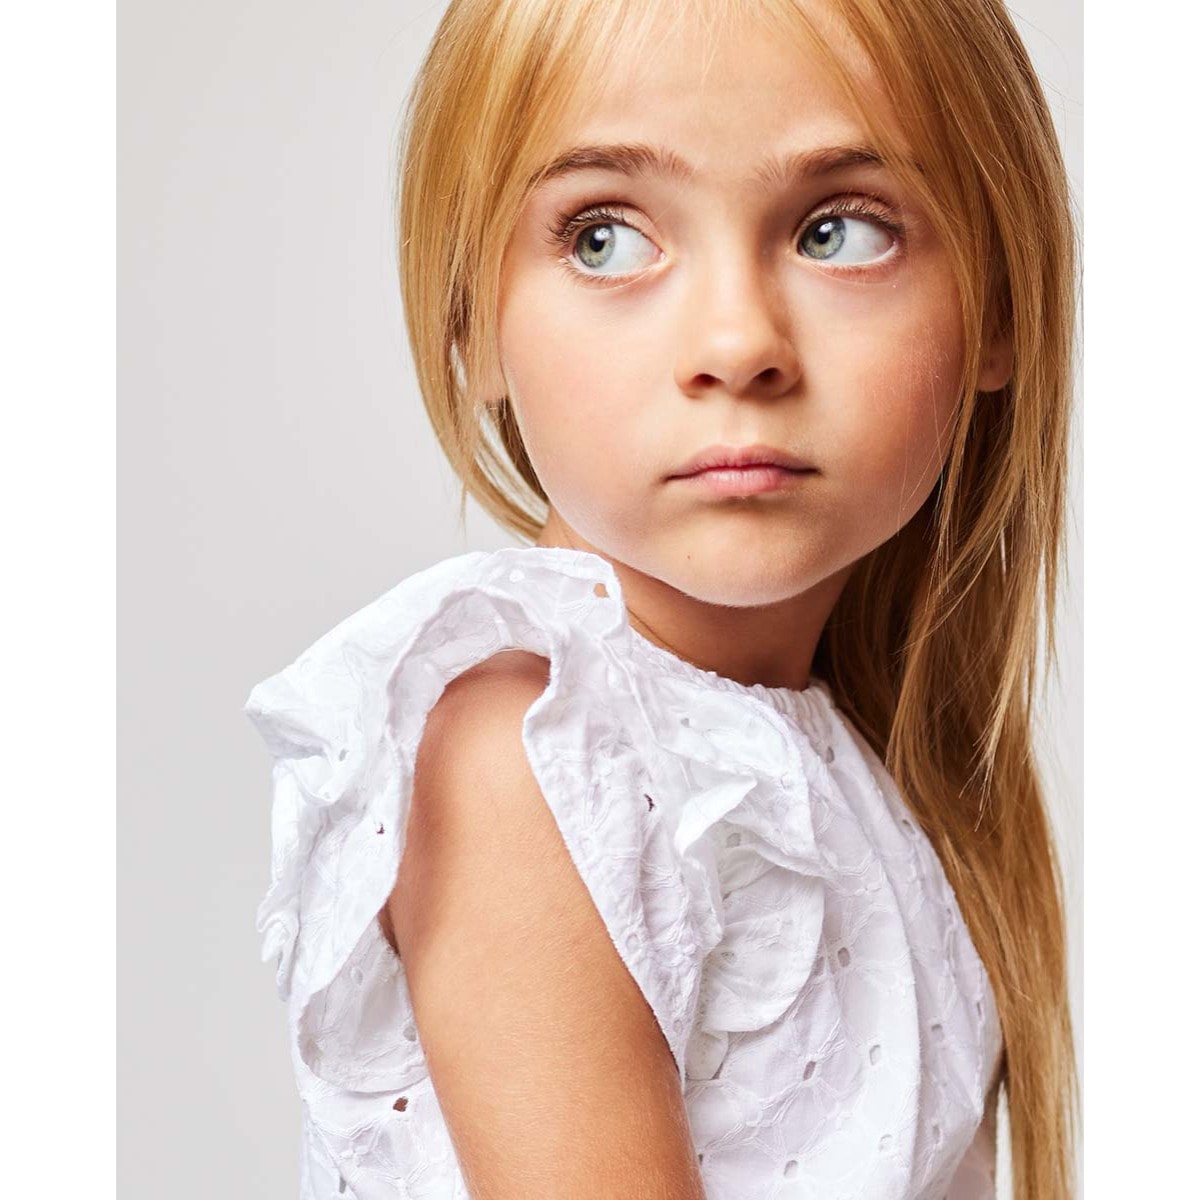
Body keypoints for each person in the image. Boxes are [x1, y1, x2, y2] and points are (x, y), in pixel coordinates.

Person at [243, 1, 1079, 1197]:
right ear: (467, 323)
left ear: (999, 302)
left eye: (841, 230)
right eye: (602, 238)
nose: (738, 344)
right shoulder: (536, 757)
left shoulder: (852, 749)